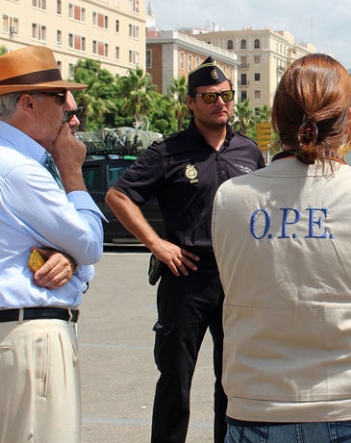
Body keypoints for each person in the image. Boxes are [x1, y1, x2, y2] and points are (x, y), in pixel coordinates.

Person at [211, 53, 351, 441]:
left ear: (276, 119)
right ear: (350, 120)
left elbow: (235, 280)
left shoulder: (231, 197)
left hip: (258, 401)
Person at [105, 56, 265, 443]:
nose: (220, 103)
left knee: (233, 382)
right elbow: (118, 195)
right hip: (186, 279)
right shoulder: (168, 152)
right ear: (190, 103)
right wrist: (157, 244)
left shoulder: (249, 152)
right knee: (176, 381)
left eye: (226, 95)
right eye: (209, 97)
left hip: (236, 280)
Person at [0, 45, 104, 442]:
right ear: (28, 102)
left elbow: (77, 256)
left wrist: (72, 261)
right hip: (29, 337)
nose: (72, 117)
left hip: (18, 335)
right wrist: (72, 174)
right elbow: (89, 244)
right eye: (62, 103)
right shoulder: (14, 167)